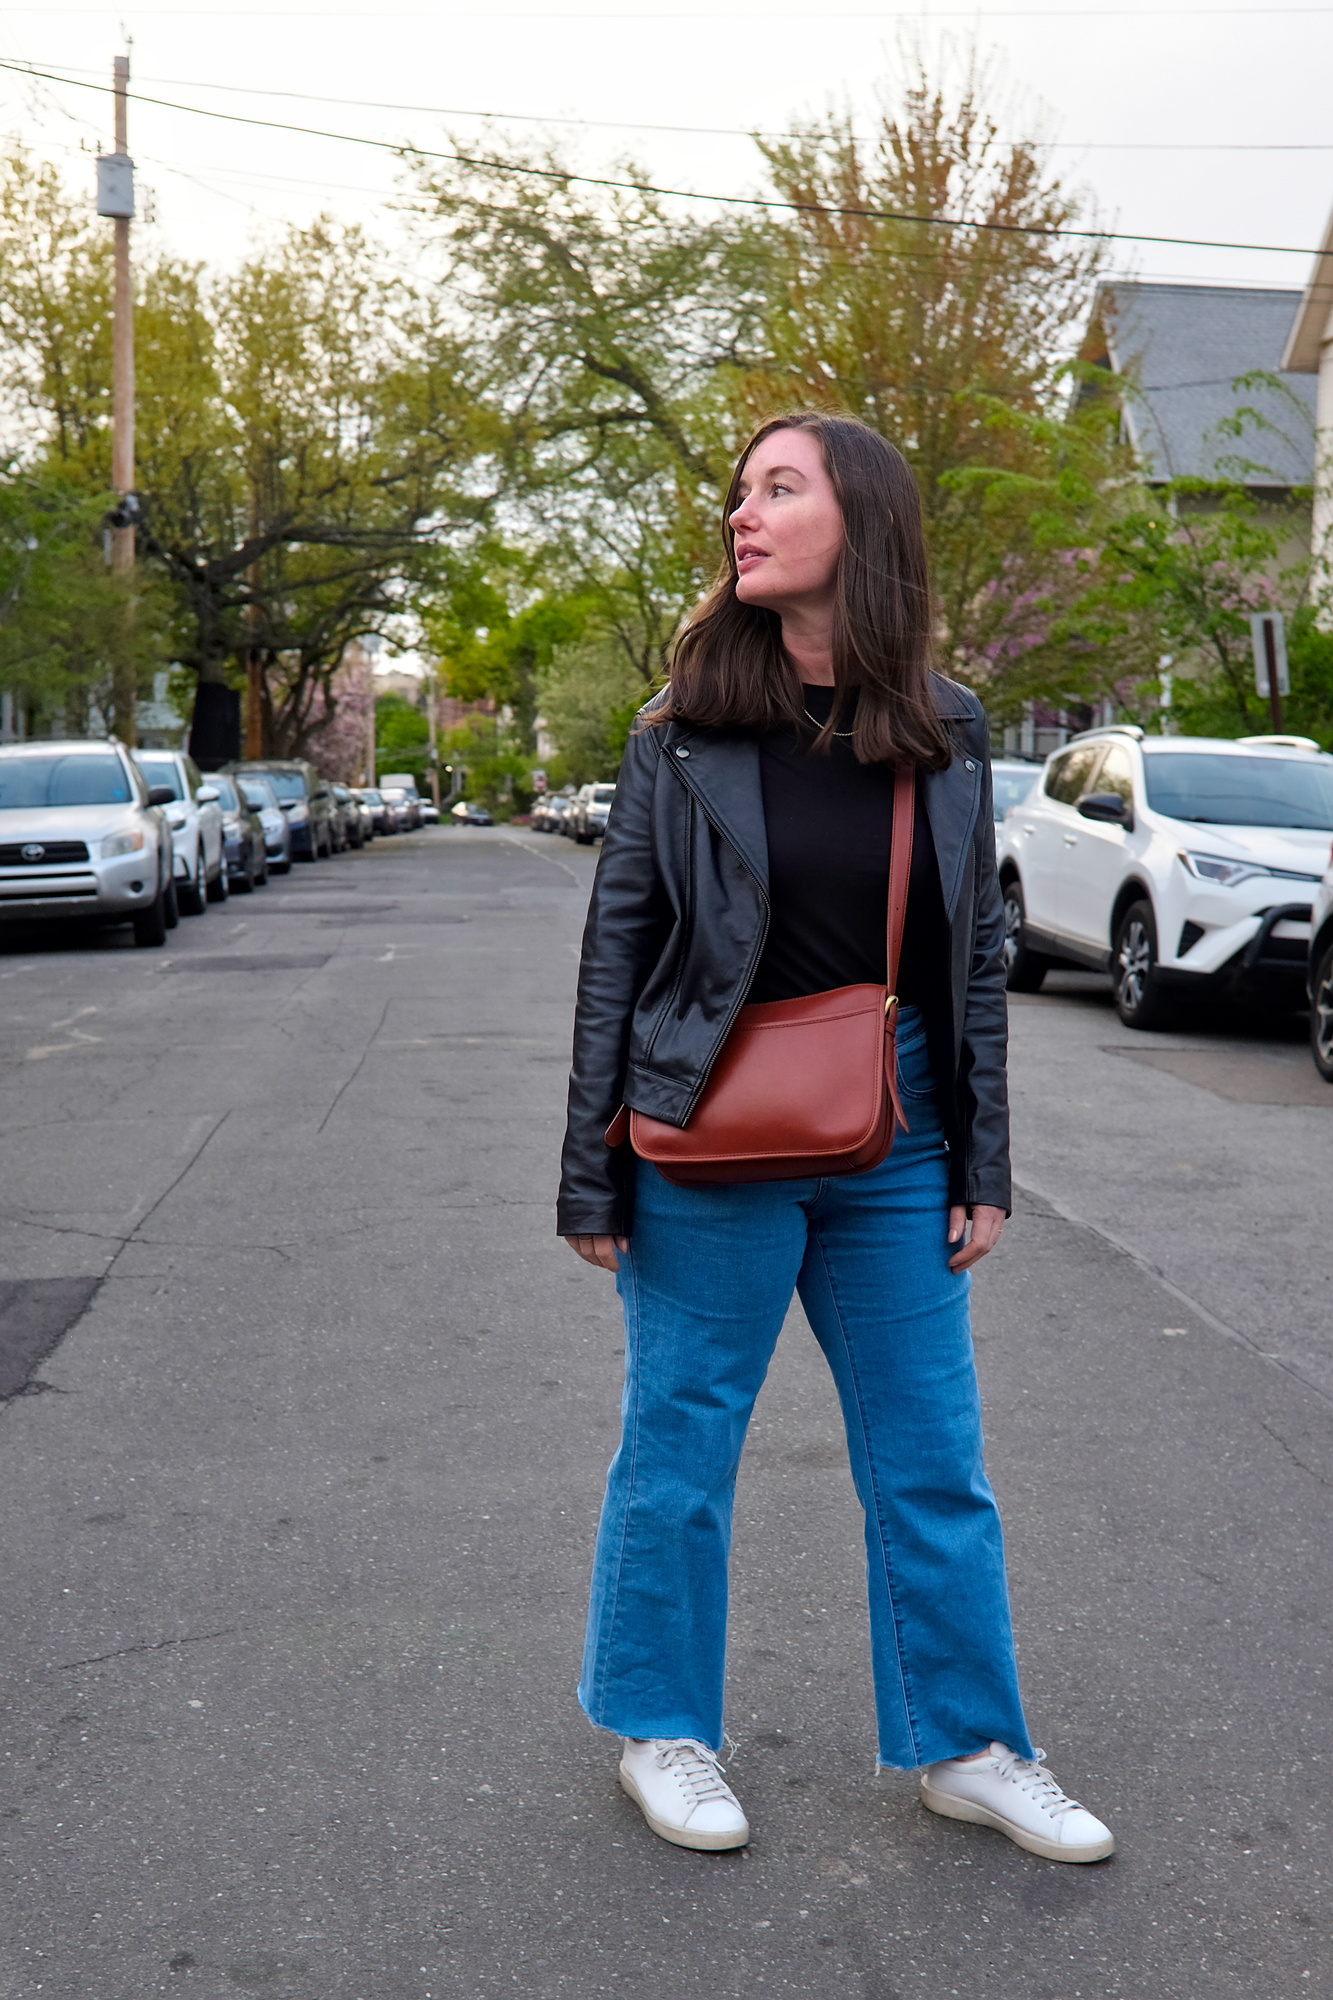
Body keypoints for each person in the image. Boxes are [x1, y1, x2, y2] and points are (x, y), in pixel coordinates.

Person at [557, 411, 1113, 1864]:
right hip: (708, 1136)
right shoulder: (678, 729)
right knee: (679, 1443)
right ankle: (661, 1731)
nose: (742, 514)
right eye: (739, 494)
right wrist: (590, 1167)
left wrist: (979, 1163)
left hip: (896, 1135)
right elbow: (618, 952)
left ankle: (970, 1747)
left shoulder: (944, 725)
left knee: (931, 1456)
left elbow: (969, 958)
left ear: (857, 526)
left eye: (777, 489)